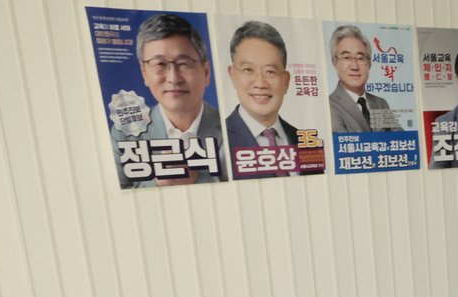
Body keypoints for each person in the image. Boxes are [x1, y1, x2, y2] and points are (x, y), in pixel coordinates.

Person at [109, 13, 225, 188]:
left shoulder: (232, 127)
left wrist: (198, 179)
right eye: (160, 64)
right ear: (144, 73)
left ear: (206, 71)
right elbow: (114, 198)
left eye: (184, 63)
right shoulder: (125, 134)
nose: (173, 78)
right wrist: (158, 184)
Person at [223, 21, 320, 176]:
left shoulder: (307, 142)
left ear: (286, 81)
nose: (260, 83)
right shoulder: (219, 142)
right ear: (232, 75)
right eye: (248, 70)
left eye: (270, 71)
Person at [326, 24, 402, 133]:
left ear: (369, 64)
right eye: (347, 58)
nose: (355, 66)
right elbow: (342, 145)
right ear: (334, 62)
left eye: (360, 58)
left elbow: (400, 139)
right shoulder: (329, 105)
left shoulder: (380, 103)